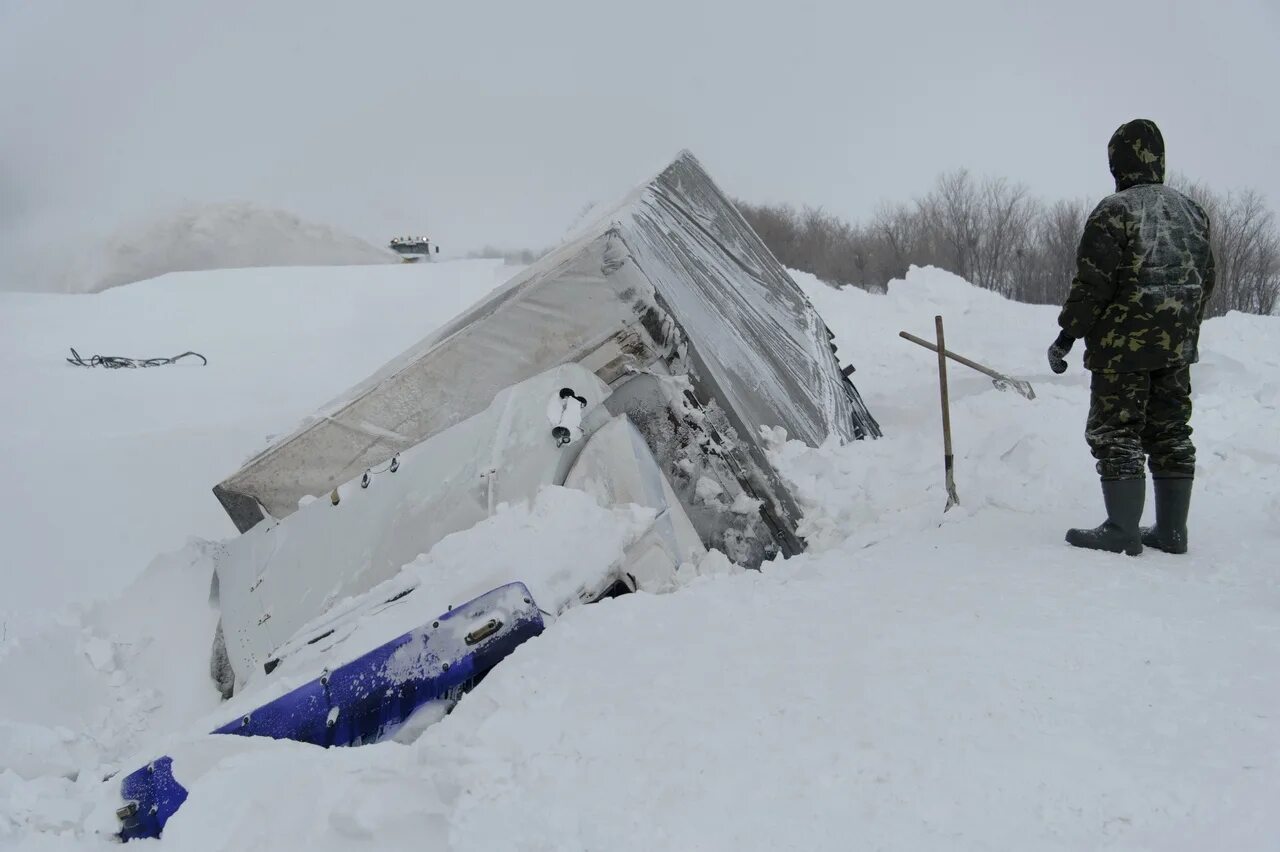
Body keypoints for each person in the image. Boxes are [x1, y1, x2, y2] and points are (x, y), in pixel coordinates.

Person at [1048, 118, 1215, 556]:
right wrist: (1182, 328)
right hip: (1176, 347)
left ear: (1117, 161)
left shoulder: (1114, 211)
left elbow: (1093, 284)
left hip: (1122, 351)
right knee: (1171, 430)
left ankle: (1123, 529)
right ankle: (1172, 532)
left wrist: (1067, 336)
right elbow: (1207, 280)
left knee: (1116, 430)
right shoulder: (1192, 211)